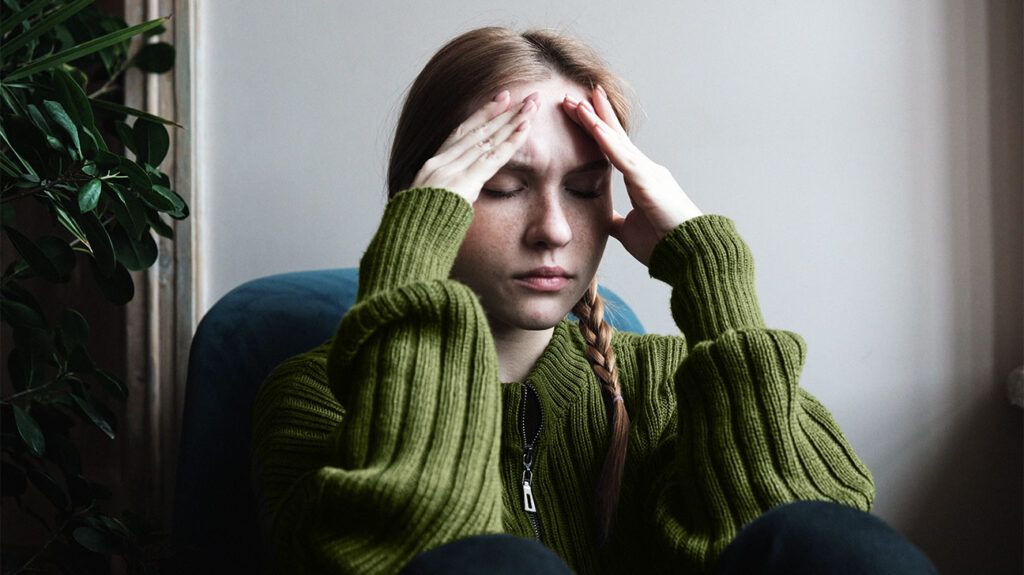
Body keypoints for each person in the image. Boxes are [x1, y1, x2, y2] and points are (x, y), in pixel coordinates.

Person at [250, 26, 936, 574]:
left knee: (816, 532)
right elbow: (401, 554)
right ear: (430, 201)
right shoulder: (317, 399)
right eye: (503, 186)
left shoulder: (663, 385)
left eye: (584, 189)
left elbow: (809, 538)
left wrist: (711, 272)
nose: (553, 229)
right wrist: (413, 264)